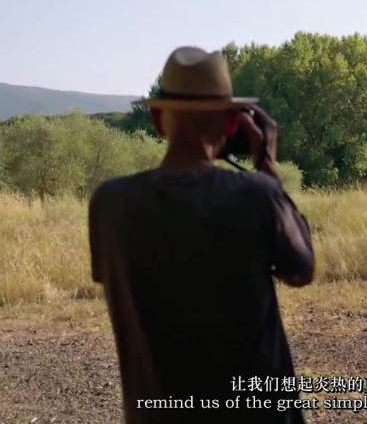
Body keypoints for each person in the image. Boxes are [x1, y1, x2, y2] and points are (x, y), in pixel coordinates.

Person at [88, 46, 314, 423]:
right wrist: (266, 167)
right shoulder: (257, 195)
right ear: (230, 124)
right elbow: (301, 269)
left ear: (159, 120)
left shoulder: (109, 204)